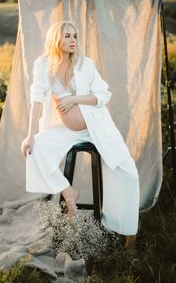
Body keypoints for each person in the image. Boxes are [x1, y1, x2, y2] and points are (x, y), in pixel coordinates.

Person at [21, 21, 140, 250]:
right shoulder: (43, 65)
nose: (73, 39)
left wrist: (74, 99)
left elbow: (102, 96)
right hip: (67, 131)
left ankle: (128, 234)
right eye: (67, 36)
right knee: (34, 150)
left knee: (128, 173)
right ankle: (68, 191)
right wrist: (30, 135)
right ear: (56, 38)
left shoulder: (85, 64)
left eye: (75, 35)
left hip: (97, 127)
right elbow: (36, 99)